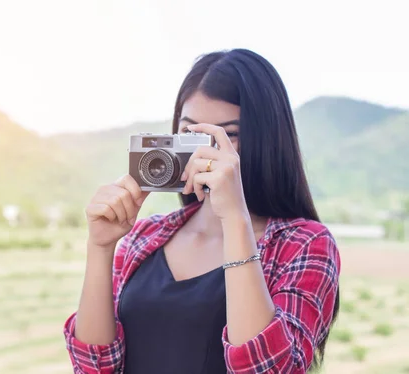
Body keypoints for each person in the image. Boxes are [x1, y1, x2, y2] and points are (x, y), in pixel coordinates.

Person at [62, 48, 341, 373]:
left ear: (267, 139)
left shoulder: (306, 245)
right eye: (190, 132)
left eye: (229, 135)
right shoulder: (145, 236)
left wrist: (235, 219)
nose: (203, 150)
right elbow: (93, 367)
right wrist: (100, 247)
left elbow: (270, 369)